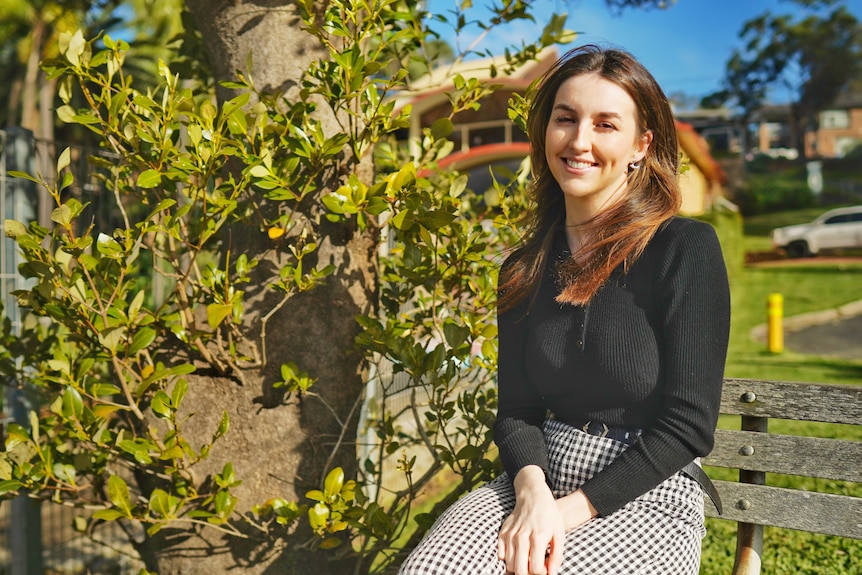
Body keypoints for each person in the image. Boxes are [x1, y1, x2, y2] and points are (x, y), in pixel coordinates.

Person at [397, 44, 730, 575]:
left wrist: (564, 513)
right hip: (539, 476)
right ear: (544, 133)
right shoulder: (523, 269)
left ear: (641, 144)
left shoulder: (683, 249)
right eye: (566, 119)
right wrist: (532, 493)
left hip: (647, 492)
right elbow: (517, 413)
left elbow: (688, 427)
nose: (579, 141)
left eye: (605, 125)